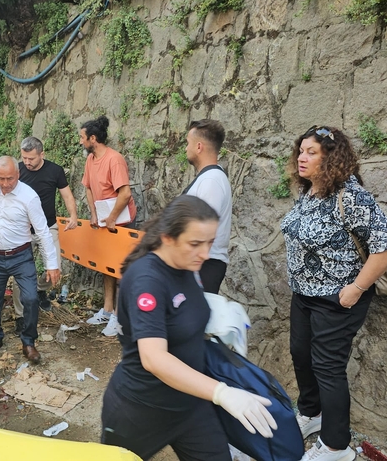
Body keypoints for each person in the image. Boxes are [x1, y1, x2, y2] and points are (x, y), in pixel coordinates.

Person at [100, 194, 275, 460]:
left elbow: (178, 314)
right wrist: (222, 393)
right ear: (168, 237)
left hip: (190, 405)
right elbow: (154, 358)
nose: (205, 254)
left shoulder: (185, 264)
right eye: (195, 244)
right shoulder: (147, 279)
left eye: (210, 243)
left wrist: (219, 319)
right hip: (140, 409)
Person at [281, 126, 387, 461]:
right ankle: (311, 414)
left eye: (311, 152)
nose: (302, 158)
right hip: (304, 294)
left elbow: (386, 245)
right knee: (301, 355)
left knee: (327, 367)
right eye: (301, 150)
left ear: (331, 157)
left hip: (339, 298)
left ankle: (336, 445)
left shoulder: (350, 195)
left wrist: (356, 289)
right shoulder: (310, 191)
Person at [0, 156, 60, 364]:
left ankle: (29, 341)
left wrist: (52, 264)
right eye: (1, 179)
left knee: (30, 298)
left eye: (10, 179)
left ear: (18, 175)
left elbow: (42, 231)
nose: (5, 184)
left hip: (21, 256)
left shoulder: (29, 196)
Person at [11, 136, 78, 333]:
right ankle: (20, 316)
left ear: (42, 154)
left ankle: (39, 290)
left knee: (54, 269)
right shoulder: (17, 170)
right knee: (19, 274)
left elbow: (66, 195)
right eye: (24, 158)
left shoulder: (54, 170)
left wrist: (73, 215)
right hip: (22, 229)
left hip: (48, 227)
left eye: (31, 158)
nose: (27, 162)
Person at [80, 115, 136, 337]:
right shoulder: (90, 160)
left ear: (93, 138)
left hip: (120, 221)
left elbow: (125, 193)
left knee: (122, 269)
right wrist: (94, 214)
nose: (81, 142)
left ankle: (119, 318)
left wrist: (111, 218)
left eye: (83, 138)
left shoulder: (115, 159)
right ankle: (107, 310)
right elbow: (88, 188)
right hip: (103, 219)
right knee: (106, 266)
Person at [182, 120, 233, 294]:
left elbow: (204, 230)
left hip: (204, 266)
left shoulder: (211, 181)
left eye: (187, 143)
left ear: (198, 147)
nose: (185, 148)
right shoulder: (209, 178)